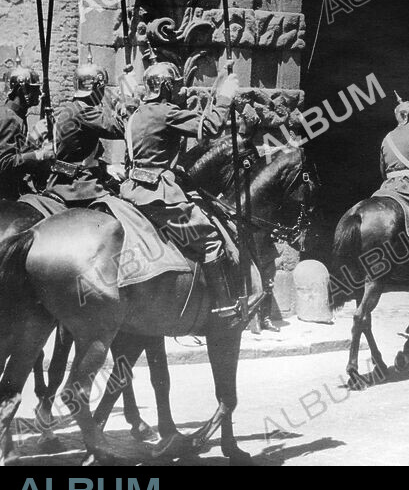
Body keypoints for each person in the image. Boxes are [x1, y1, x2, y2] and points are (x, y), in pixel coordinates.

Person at [120, 61, 248, 321]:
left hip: (131, 190)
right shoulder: (166, 112)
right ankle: (224, 307)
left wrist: (219, 79)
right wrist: (225, 96)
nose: (179, 90)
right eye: (175, 85)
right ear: (166, 86)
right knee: (210, 238)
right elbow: (210, 128)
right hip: (157, 195)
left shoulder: (137, 113)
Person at [43, 56, 125, 205]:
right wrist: (125, 102)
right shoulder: (85, 112)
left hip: (61, 180)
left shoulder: (71, 108)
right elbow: (121, 129)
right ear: (98, 88)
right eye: (103, 88)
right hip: (78, 185)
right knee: (120, 210)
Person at [0, 57, 53, 200]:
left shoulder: (17, 116)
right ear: (22, 89)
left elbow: (16, 152)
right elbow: (4, 164)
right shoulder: (9, 119)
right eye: (35, 89)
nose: (40, 93)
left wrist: (34, 138)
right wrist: (39, 154)